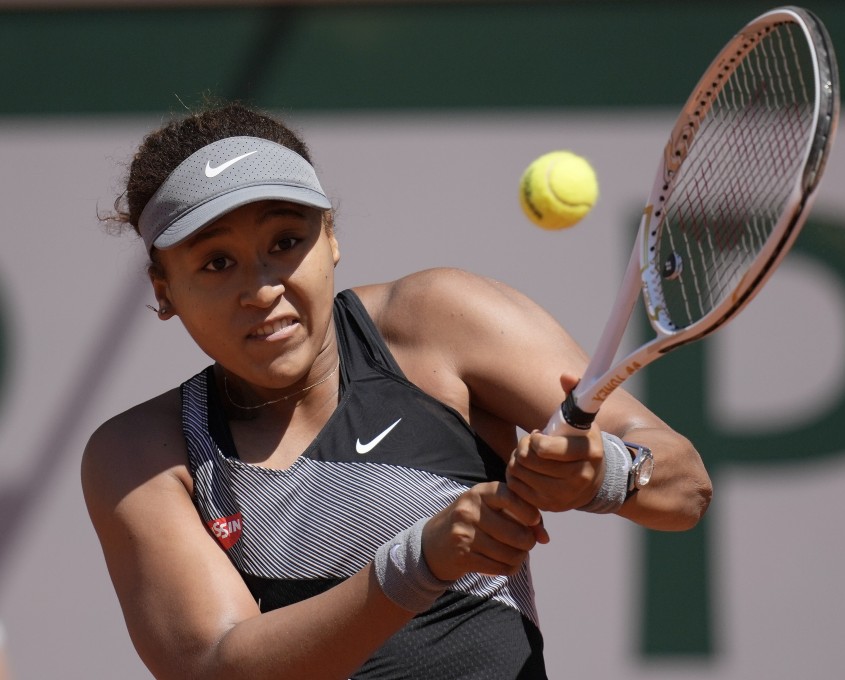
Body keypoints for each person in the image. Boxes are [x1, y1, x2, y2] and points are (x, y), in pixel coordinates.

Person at [81, 102, 711, 679]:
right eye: (217, 262)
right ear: (164, 289)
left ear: (330, 237)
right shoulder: (141, 454)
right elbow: (214, 667)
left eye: (286, 242)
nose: (263, 286)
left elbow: (685, 487)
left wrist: (609, 475)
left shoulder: (439, 320)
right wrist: (423, 560)